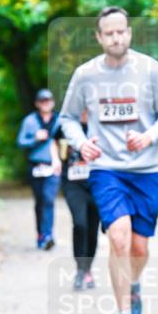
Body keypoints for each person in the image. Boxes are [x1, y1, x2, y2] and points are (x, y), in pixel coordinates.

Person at [60, 6, 158, 314]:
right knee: (118, 238)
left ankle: (135, 284)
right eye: (108, 33)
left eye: (121, 31)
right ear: (99, 37)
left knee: (139, 248)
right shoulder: (85, 75)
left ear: (129, 33)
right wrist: (82, 143)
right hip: (105, 168)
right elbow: (67, 118)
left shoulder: (150, 69)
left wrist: (148, 137)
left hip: (146, 170)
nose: (115, 37)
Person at [58, 109, 100, 291]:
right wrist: (55, 160)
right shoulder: (67, 126)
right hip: (73, 183)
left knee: (92, 229)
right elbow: (55, 143)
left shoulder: (99, 125)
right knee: (80, 224)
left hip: (97, 183)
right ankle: (79, 270)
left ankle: (88, 269)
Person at [17, 88, 62, 250]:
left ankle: (48, 234)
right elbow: (21, 142)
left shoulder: (59, 121)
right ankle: (40, 234)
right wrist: (35, 138)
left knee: (49, 199)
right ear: (37, 103)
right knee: (40, 201)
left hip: (53, 166)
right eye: (42, 101)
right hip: (36, 166)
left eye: (48, 100)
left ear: (53, 102)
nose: (46, 104)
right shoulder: (30, 121)